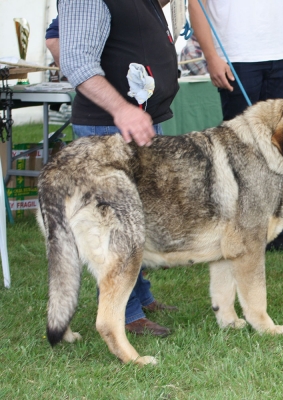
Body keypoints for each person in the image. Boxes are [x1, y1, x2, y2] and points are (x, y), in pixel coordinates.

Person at [57, 0, 179, 336]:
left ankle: (139, 296)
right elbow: (77, 63)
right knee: (114, 228)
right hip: (108, 128)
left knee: (136, 219)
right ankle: (124, 315)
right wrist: (121, 110)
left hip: (139, 123)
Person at [188, 0, 283, 254]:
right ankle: (237, 231)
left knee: (282, 148)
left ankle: (275, 233)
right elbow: (196, 4)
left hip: (280, 56)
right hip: (236, 57)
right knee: (241, 151)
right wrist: (211, 56)